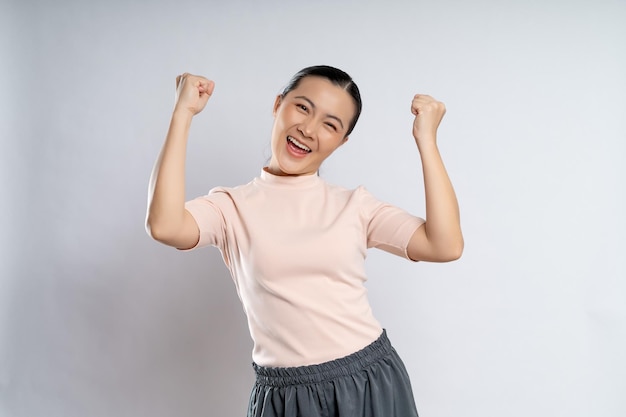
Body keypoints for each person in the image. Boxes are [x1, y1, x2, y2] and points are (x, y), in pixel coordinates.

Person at [146, 65, 463, 417]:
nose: (308, 129)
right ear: (278, 104)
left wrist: (427, 141)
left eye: (330, 124)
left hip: (368, 381)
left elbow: (444, 245)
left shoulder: (354, 206)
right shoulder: (230, 207)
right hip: (284, 397)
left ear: (341, 142)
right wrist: (183, 114)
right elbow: (164, 225)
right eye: (302, 107)